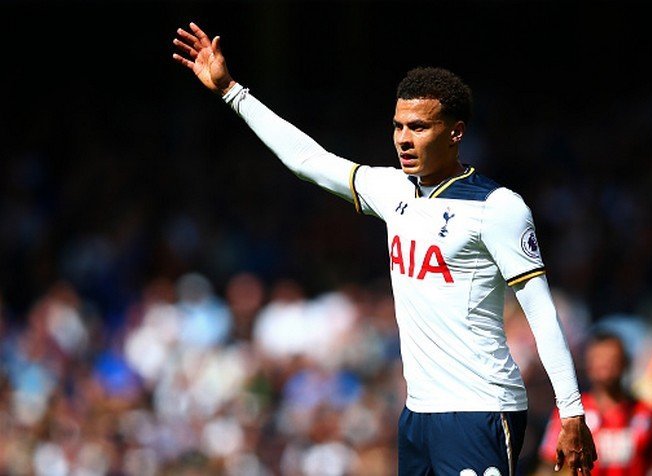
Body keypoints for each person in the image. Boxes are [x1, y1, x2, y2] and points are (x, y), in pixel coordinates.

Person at [172, 21, 597, 475]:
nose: (403, 139)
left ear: (456, 132)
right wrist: (231, 91)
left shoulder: (497, 207)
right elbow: (307, 160)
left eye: (419, 127)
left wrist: (571, 411)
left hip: (480, 407)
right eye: (398, 126)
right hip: (417, 414)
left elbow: (540, 311)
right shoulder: (392, 189)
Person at [536, 330, 652, 475]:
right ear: (588, 365)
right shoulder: (570, 414)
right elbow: (548, 464)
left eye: (612, 360)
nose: (606, 366)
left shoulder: (647, 414)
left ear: (625, 362)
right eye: (599, 360)